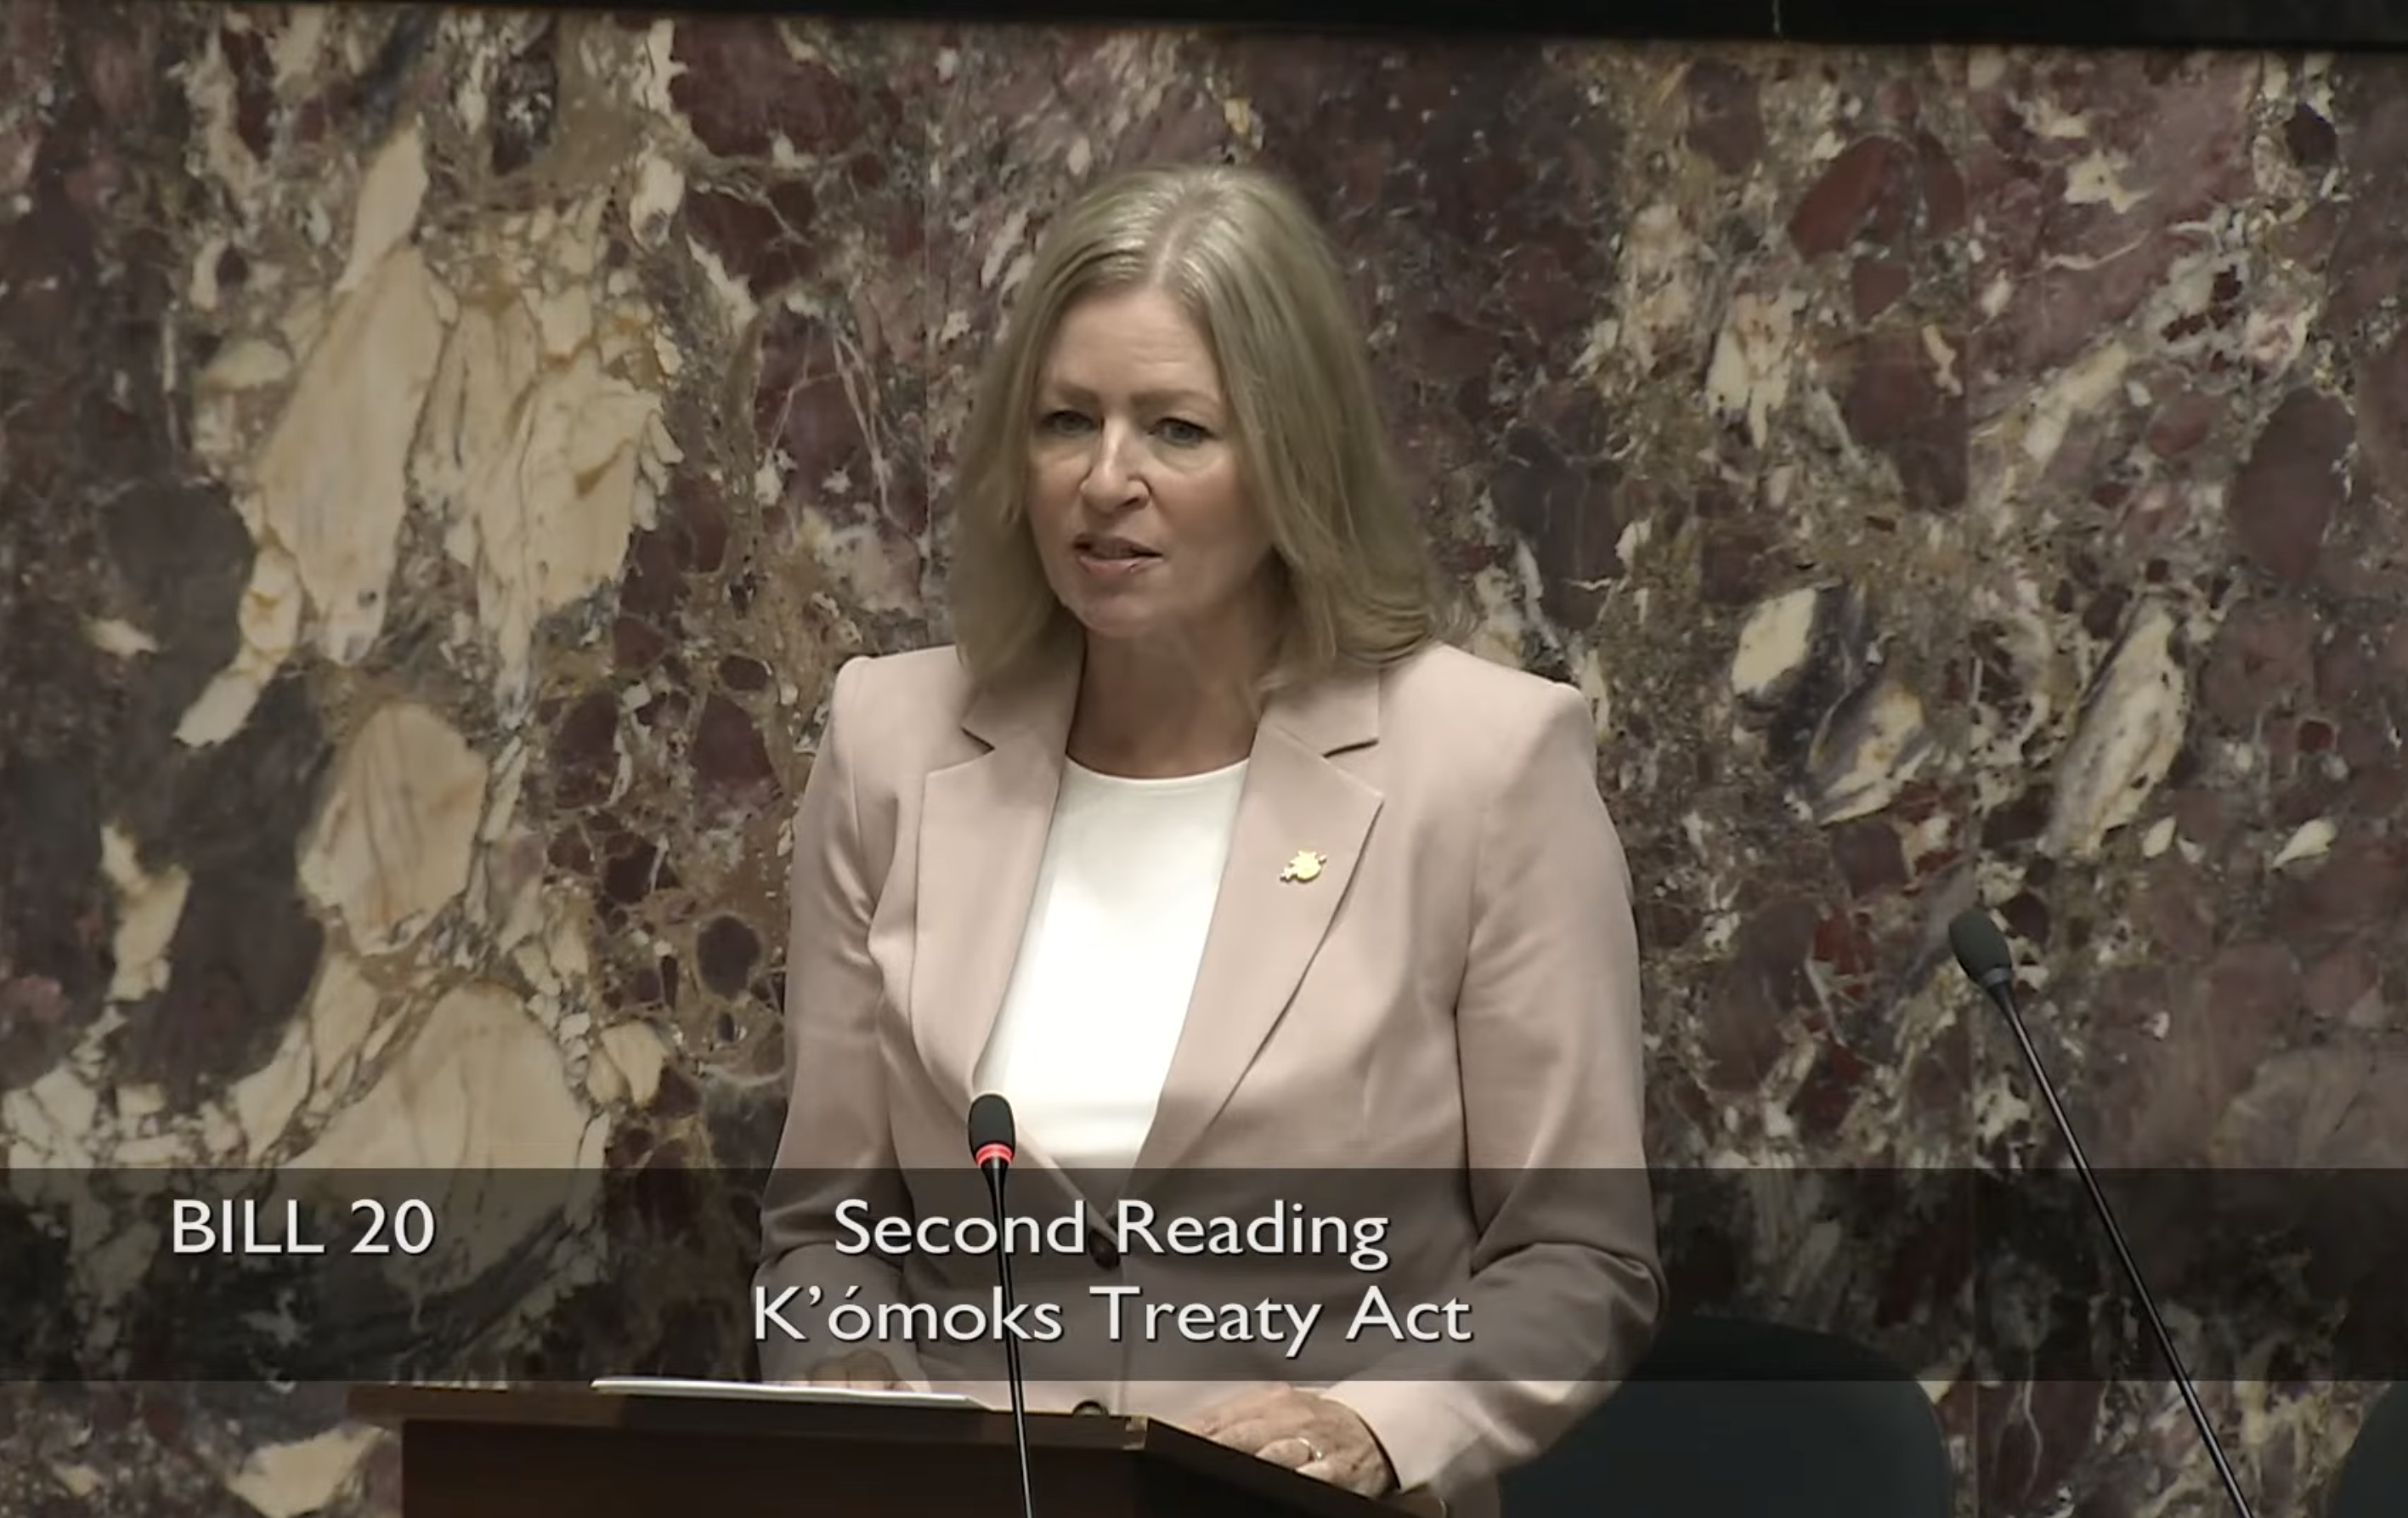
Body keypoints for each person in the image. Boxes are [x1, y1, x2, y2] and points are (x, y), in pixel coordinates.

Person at [755, 162, 1660, 1516]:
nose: (1105, 480)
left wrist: (1376, 1426)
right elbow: (825, 1230)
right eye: (1066, 421)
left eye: (1175, 430)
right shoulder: (893, 738)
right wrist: (845, 1368)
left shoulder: (1483, 765)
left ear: (1289, 458)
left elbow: (1576, 1257)